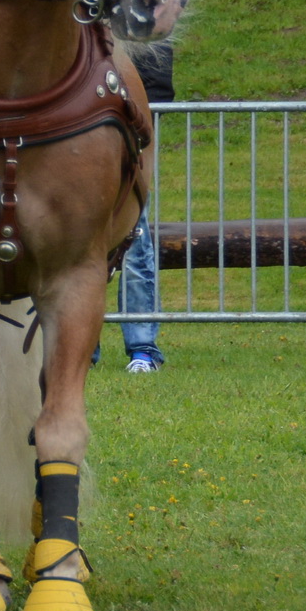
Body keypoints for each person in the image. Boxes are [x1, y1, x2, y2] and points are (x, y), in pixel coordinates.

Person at [119, 42, 173, 373]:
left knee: (135, 243)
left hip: (128, 140)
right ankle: (82, 349)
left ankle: (142, 348)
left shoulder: (135, 21)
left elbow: (158, 82)